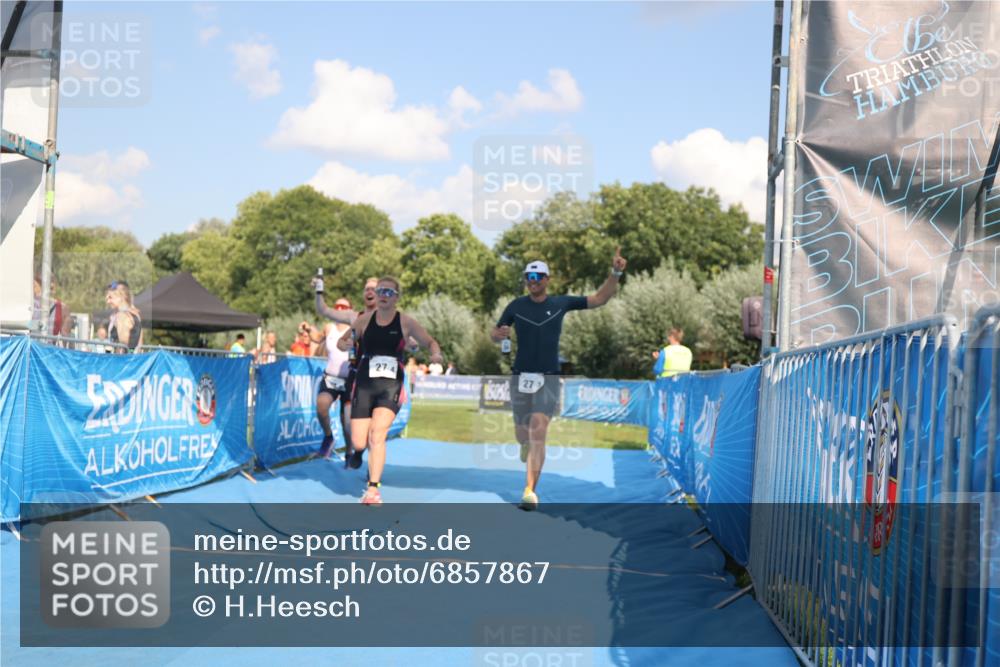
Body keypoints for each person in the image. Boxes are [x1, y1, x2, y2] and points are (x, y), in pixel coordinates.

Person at [491, 248, 627, 510]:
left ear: (547, 279)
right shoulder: (515, 306)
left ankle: (529, 491)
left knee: (538, 429)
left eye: (538, 276)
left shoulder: (560, 303)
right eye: (528, 276)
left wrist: (616, 272)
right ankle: (524, 445)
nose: (533, 280)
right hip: (520, 377)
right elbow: (495, 334)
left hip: (549, 377)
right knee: (522, 434)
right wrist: (497, 336)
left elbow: (600, 298)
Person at [338, 277, 442, 505]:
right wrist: (344, 344)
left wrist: (435, 353)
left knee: (377, 434)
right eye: (380, 291)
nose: (384, 295)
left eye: (389, 292)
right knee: (358, 441)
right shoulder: (364, 320)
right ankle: (358, 453)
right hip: (365, 383)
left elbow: (430, 341)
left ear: (397, 297)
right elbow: (342, 341)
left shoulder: (406, 322)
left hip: (391, 385)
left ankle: (373, 490)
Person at [313, 276, 380, 462]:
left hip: (368, 379)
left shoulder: (388, 318)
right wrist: (319, 291)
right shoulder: (353, 317)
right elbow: (323, 310)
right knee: (327, 408)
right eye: (366, 288)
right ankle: (333, 440)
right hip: (343, 378)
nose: (369, 292)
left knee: (356, 424)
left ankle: (356, 455)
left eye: (374, 288)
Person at [105, 280, 143, 353]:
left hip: (123, 362)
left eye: (110, 297)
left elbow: (123, 348)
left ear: (122, 297)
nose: (108, 301)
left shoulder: (122, 316)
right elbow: (140, 345)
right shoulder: (136, 314)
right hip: (135, 361)